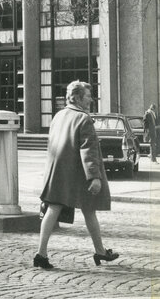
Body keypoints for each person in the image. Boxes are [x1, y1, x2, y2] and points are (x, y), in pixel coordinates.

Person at [34, 80, 118, 270]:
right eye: (88, 96)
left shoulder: (58, 116)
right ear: (79, 97)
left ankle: (42, 253)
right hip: (78, 174)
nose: (91, 99)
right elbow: (88, 150)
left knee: (54, 209)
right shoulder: (83, 119)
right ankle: (100, 252)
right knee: (89, 210)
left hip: (59, 171)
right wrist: (94, 177)